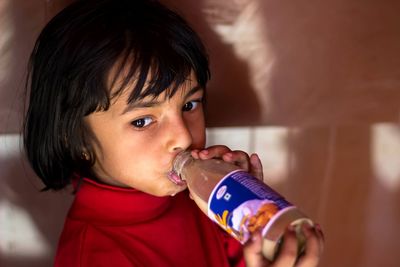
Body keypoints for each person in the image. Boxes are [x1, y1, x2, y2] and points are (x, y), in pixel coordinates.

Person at [23, 0, 323, 266]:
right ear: (75, 139)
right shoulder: (94, 256)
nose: (182, 137)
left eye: (190, 104)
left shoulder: (198, 199)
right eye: (142, 121)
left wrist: (249, 221)